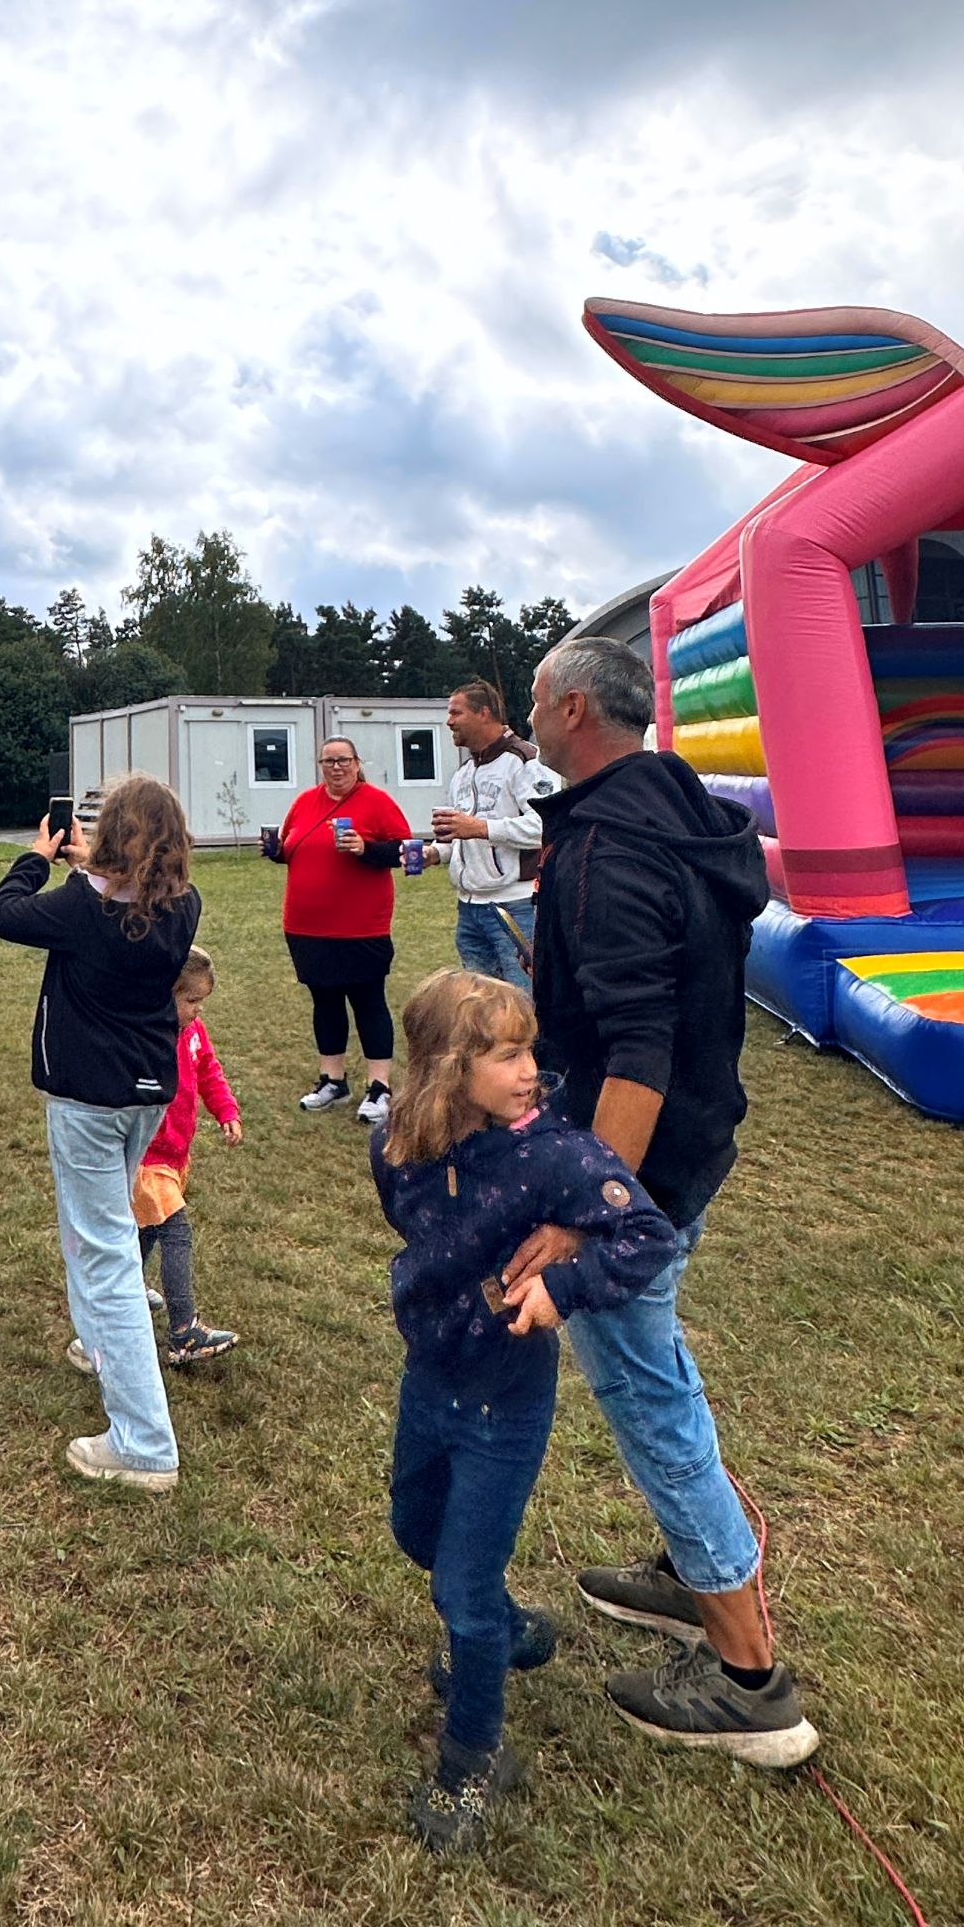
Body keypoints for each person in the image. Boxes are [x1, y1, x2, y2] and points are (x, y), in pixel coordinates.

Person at [503, 635, 818, 1766]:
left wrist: (591, 1217)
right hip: (693, 1144)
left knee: (646, 1398)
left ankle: (751, 1684)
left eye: (536, 698)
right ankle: (693, 1574)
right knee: (658, 1365)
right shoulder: (676, 806)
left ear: (574, 707)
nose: (530, 712)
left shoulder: (614, 849)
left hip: (642, 1164)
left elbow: (639, 1047)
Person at [376, 968, 678, 1854]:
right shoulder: (401, 1142)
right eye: (508, 1056)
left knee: (461, 1590)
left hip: (505, 1401)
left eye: (530, 1052)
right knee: (412, 1530)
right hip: (429, 1378)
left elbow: (647, 1233)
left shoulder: (555, 1153)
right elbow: (414, 1220)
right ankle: (507, 1631)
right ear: (444, 1069)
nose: (530, 1071)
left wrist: (564, 1281)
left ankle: (472, 1761)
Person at [0, 773, 201, 1492]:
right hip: (145, 1095)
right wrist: (86, 867)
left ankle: (144, 1443)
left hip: (88, 1101)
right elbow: (127, 901)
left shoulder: (81, 908)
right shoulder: (184, 905)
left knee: (105, 1254)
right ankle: (98, 1342)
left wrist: (36, 857)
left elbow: (6, 913)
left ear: (112, 835)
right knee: (99, 1235)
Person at [265, 737, 411, 1122]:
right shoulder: (304, 803)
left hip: (361, 928)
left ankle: (380, 1088)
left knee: (368, 1003)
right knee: (325, 1002)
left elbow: (406, 850)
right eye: (328, 761)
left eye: (344, 760)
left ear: (357, 762)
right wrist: (275, 850)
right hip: (306, 927)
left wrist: (366, 849)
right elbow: (291, 845)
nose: (336, 768)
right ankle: (333, 1081)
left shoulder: (376, 802)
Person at [128, 944, 241, 1366]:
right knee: (175, 1230)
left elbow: (209, 1069)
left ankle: (124, 1286)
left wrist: (226, 1110)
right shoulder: (145, 1034)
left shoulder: (194, 1032)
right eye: (190, 1000)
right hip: (147, 1157)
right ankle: (184, 1333)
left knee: (146, 1229)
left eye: (202, 1002)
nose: (197, 1011)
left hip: (176, 1154)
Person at [429, 679, 556, 982]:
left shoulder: (526, 761)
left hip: (516, 907)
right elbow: (461, 837)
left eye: (456, 713)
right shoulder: (464, 774)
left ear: (484, 713)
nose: (449, 722)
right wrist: (433, 852)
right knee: (481, 1008)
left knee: (521, 1007)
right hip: (469, 909)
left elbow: (546, 826)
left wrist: (480, 828)